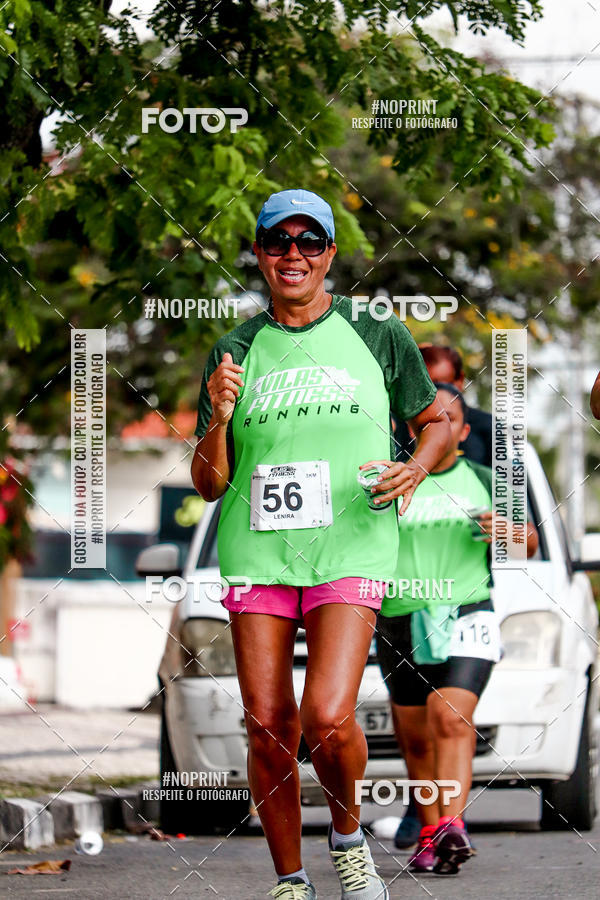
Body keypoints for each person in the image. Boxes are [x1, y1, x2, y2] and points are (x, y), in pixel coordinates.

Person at [191, 188, 451, 899]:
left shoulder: (376, 332)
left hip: (352, 543)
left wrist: (417, 466)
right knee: (268, 725)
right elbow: (210, 484)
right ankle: (290, 880)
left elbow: (437, 420)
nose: (294, 255)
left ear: (331, 254)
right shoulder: (235, 349)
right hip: (259, 553)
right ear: (261, 254)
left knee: (327, 716)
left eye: (311, 242)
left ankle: (346, 836)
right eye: (280, 242)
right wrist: (217, 416)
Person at [377, 383, 538, 875]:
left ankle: (452, 824)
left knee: (449, 717)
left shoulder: (490, 480)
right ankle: (431, 833)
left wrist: (509, 532)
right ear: (412, 428)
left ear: (466, 432)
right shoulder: (389, 481)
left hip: (468, 612)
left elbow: (528, 543)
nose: (439, 427)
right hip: (399, 618)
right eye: (429, 419)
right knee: (416, 738)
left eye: (450, 419)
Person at [394, 345, 493, 468]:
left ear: (460, 381)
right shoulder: (398, 424)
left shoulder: (488, 426)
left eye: (443, 385)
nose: (435, 396)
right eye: (424, 388)